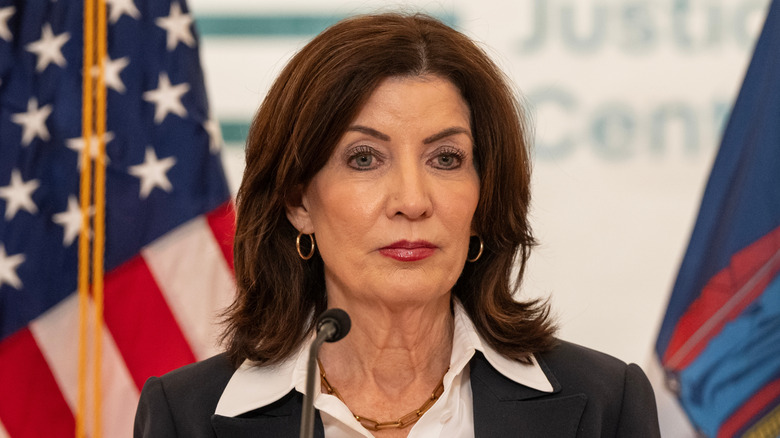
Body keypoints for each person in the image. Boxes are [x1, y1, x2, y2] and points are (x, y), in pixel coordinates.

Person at [134, 12, 660, 438]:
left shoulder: (604, 404)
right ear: (298, 202)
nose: (412, 201)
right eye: (364, 159)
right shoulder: (187, 417)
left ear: (483, 199)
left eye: (447, 159)